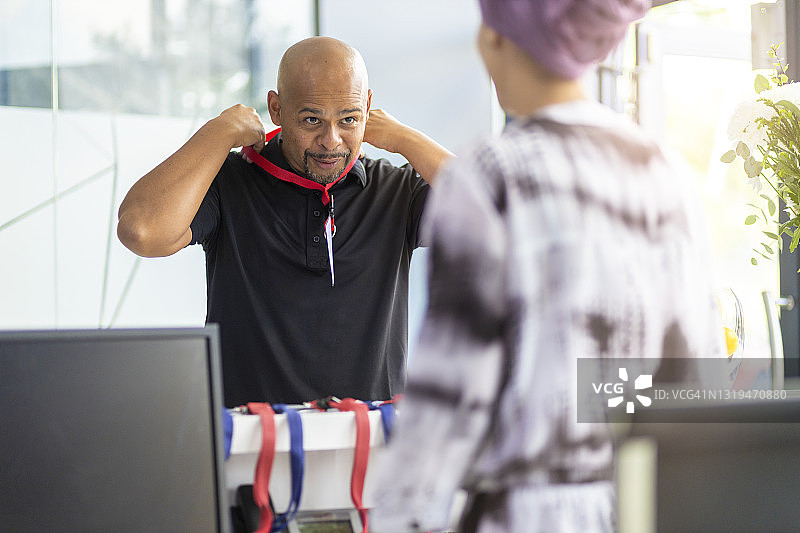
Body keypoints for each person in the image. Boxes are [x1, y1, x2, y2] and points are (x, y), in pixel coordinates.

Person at [370, 1, 724, 532]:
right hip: (634, 512)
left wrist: (398, 518)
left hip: (517, 515)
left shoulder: (488, 175)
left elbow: (451, 398)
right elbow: (696, 386)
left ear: (495, 37)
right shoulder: (663, 170)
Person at [117, 37, 453, 407]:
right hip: (250, 439)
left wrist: (406, 139)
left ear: (368, 107)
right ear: (276, 109)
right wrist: (218, 133)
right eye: (312, 120)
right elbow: (141, 230)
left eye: (348, 119)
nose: (331, 141)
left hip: (370, 439)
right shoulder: (230, 182)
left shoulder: (397, 191)